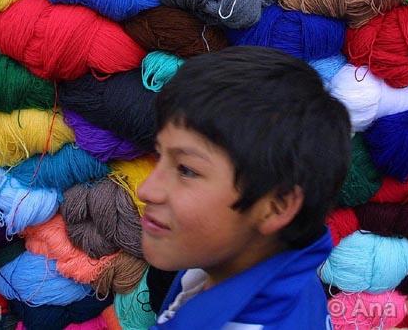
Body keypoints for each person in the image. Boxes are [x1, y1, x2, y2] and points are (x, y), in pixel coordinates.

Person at [137, 46, 352, 329]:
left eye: (186, 170)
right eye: (159, 156)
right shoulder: (274, 267)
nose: (146, 190)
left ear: (277, 206)